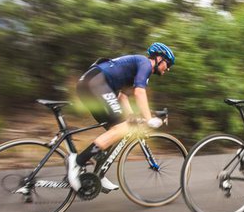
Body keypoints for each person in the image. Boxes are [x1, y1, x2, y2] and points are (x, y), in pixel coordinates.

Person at [67, 42, 175, 192]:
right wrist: (149, 119)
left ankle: (98, 174)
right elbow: (139, 93)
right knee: (121, 129)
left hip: (91, 83)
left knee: (115, 130)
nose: (168, 68)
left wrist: (131, 116)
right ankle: (77, 162)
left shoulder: (138, 68)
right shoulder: (145, 64)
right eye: (168, 64)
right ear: (158, 59)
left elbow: (123, 96)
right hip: (96, 84)